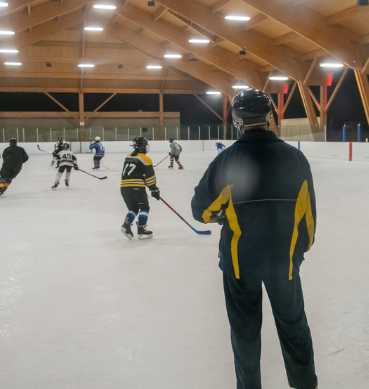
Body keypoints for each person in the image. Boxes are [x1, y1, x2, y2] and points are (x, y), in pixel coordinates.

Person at [191, 89, 318, 389]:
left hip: (239, 265)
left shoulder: (227, 160)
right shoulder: (295, 158)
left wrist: (223, 216)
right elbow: (308, 221)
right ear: (270, 117)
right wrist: (295, 254)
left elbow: (202, 211)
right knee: (294, 327)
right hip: (283, 264)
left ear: (237, 121)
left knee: (245, 335)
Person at [120, 137, 160, 240]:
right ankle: (141, 228)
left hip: (124, 187)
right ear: (143, 147)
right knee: (144, 208)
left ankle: (126, 225)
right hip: (136, 187)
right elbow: (150, 177)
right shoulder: (145, 158)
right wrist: (154, 189)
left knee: (133, 208)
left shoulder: (128, 157)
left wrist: (142, 179)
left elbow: (132, 174)